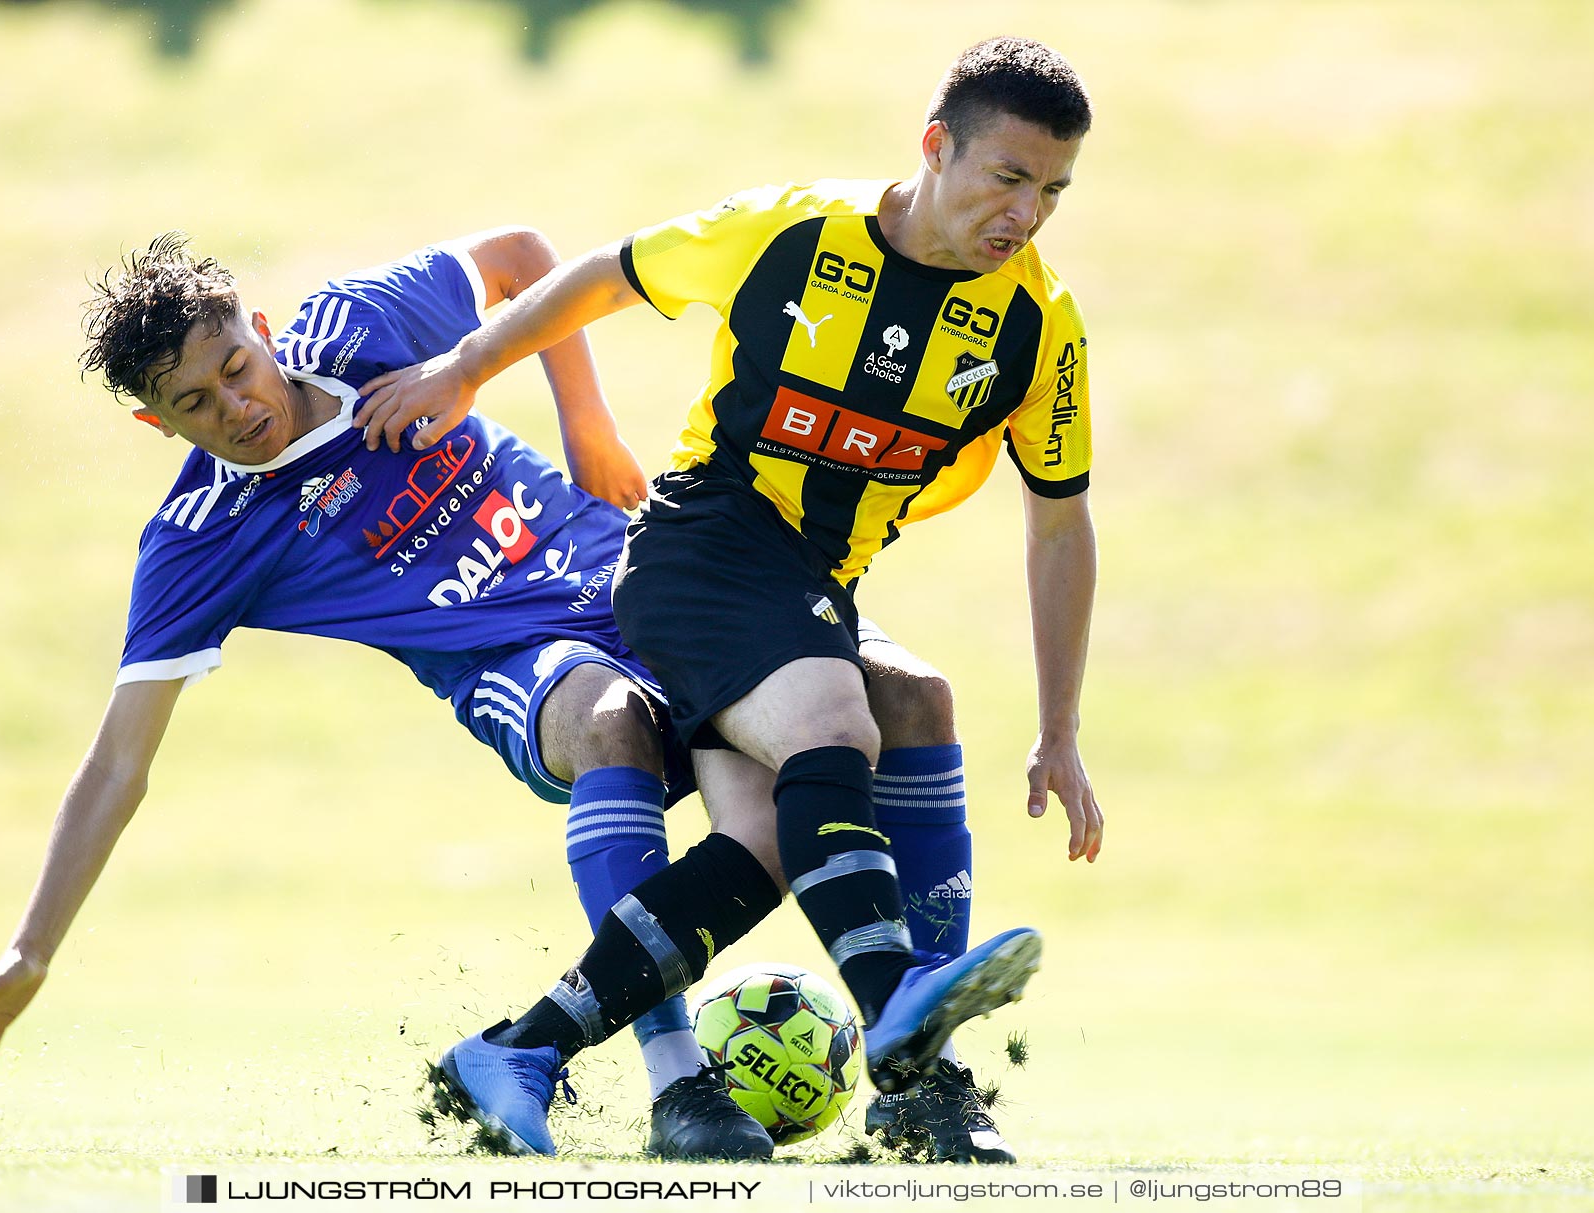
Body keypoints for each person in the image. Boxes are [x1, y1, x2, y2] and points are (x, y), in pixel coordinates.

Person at [0, 230, 986, 1161]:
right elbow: (117, 761)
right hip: (516, 665)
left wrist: (586, 419)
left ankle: (930, 1081)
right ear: (157, 425)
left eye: (235, 367)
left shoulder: (360, 322)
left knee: (909, 696)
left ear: (261, 325)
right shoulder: (198, 542)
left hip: (646, 579)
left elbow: (524, 258)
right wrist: (30, 950)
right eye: (192, 404)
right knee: (612, 721)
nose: (235, 407)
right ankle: (680, 1084)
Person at [357, 36, 1103, 1161]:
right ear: (936, 146)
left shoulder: (1037, 326)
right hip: (700, 547)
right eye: (1008, 178)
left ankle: (518, 1050)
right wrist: (465, 368)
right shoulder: (795, 234)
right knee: (838, 722)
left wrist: (1059, 730)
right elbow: (605, 272)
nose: (1028, 214)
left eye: (1053, 191)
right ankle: (907, 1011)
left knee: (769, 831)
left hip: (812, 586)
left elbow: (1059, 522)